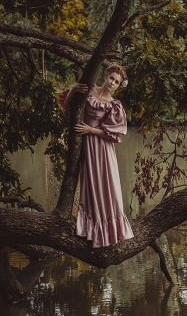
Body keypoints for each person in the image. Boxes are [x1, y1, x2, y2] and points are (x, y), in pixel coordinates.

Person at [59, 64, 134, 247]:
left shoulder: (114, 105)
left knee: (107, 185)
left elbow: (113, 134)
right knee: (91, 184)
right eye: (111, 78)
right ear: (106, 75)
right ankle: (91, 229)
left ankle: (112, 231)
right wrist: (75, 89)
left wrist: (90, 129)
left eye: (116, 82)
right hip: (88, 146)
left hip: (103, 148)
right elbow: (67, 105)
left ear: (118, 86)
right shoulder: (89, 91)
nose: (112, 83)